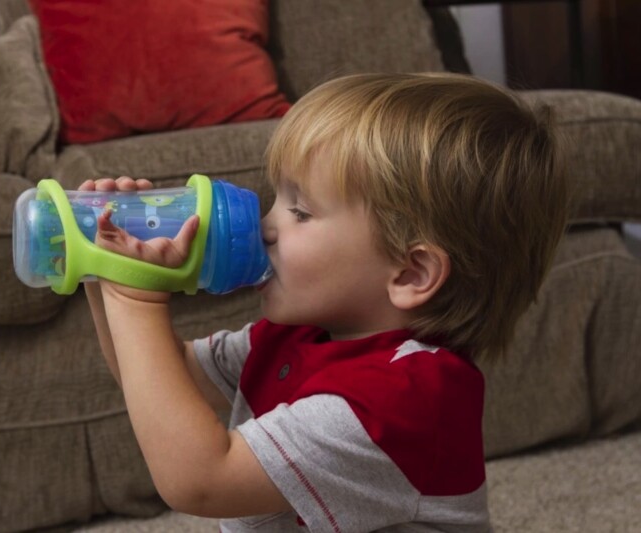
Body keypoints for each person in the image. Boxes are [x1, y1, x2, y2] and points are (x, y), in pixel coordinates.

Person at [79, 72, 569, 532]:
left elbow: (202, 482)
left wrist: (136, 299)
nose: (267, 225)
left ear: (411, 272)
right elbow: (154, 377)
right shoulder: (296, 336)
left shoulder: (398, 399)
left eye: (300, 210)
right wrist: (103, 270)